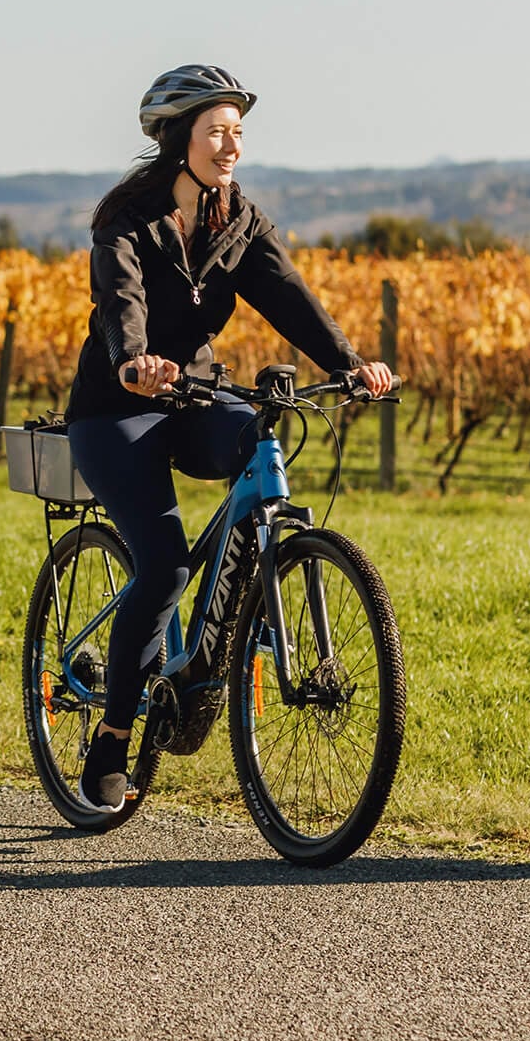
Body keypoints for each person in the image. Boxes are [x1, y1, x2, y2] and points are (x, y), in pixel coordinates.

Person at [62, 64, 396, 813]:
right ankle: (114, 737)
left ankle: (228, 630)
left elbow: (288, 295)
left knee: (258, 446)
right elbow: (121, 300)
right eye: (217, 131)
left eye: (238, 133)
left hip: (197, 393)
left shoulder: (238, 220)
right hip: (118, 409)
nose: (230, 146)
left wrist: (349, 365)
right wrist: (133, 362)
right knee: (162, 569)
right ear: (178, 138)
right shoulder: (127, 217)